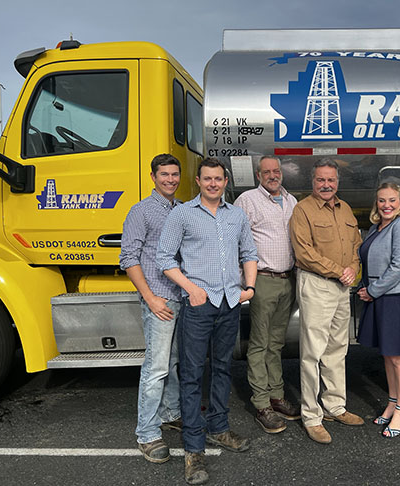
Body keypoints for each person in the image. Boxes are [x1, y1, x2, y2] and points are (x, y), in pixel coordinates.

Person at [157, 157, 258, 485]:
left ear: (225, 181)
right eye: (207, 179)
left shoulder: (236, 215)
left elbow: (249, 254)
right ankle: (193, 449)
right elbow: (164, 259)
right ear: (198, 181)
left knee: (223, 369)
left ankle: (218, 429)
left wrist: (250, 288)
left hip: (230, 303)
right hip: (199, 307)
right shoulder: (182, 214)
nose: (213, 183)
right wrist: (191, 289)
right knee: (191, 375)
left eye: (218, 178)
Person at [289, 158, 364, 445]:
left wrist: (353, 269)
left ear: (337, 181)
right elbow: (304, 252)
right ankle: (312, 415)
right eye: (321, 180)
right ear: (312, 181)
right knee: (312, 353)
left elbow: (356, 245)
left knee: (337, 348)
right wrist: (339, 271)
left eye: (331, 180)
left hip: (341, 287)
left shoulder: (345, 209)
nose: (326, 184)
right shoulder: (302, 210)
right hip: (317, 285)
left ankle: (334, 405)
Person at [119, 153, 184, 464]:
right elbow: (128, 258)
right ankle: (147, 433)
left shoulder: (183, 209)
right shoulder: (141, 211)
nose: (170, 179)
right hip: (159, 297)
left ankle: (171, 413)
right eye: (164, 175)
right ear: (153, 177)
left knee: (172, 362)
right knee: (156, 367)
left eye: (174, 174)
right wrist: (150, 298)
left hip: (181, 297)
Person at [356, 182, 400, 438]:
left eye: (391, 200)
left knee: (399, 358)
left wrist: (373, 291)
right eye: (381, 200)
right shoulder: (376, 228)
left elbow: (399, 266)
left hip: (396, 297)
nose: (386, 205)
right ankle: (391, 402)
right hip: (379, 298)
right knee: (388, 355)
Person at [234, 156, 300, 434]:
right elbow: (235, 239)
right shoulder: (247, 201)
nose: (272, 176)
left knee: (276, 344)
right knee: (259, 344)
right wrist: (242, 282)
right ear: (258, 175)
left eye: (276, 171)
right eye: (266, 172)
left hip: (288, 280)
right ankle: (261, 404)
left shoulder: (292, 201)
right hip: (262, 279)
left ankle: (276, 396)